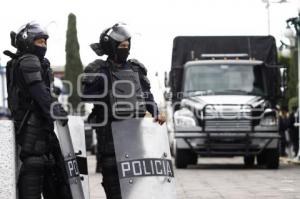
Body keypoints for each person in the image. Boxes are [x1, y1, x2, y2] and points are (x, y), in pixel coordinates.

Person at [82, 23, 165, 198]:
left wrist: (156, 113)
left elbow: (147, 97)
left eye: (127, 45)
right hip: (110, 141)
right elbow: (85, 94)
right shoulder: (99, 70)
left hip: (136, 140)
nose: (125, 49)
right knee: (114, 189)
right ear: (110, 47)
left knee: (139, 191)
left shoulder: (136, 69)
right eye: (121, 45)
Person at [4, 22, 71, 199]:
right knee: (36, 169)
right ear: (27, 42)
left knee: (58, 177)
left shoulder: (33, 62)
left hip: (43, 130)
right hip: (33, 131)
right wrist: (54, 108)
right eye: (39, 42)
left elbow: (44, 92)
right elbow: (38, 90)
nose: (44, 46)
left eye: (45, 42)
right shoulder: (28, 61)